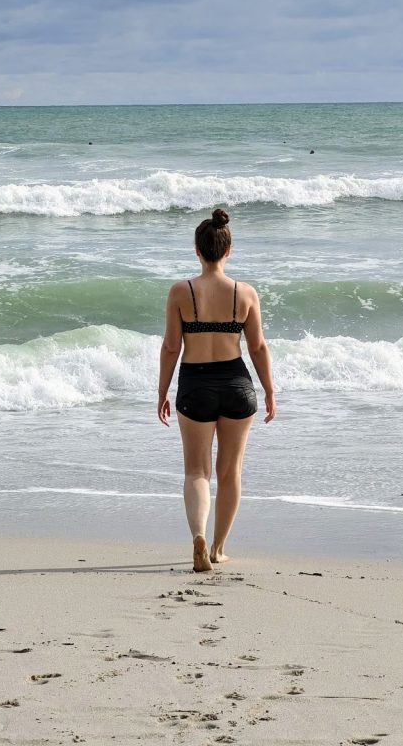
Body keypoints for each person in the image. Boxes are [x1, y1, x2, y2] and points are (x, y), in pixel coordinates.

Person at [157, 208, 277, 572]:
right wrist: (270, 390)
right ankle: (218, 549)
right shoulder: (245, 293)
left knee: (197, 472)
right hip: (237, 385)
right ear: (229, 250)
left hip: (195, 384)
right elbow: (258, 348)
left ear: (197, 250)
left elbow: (170, 347)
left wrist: (162, 391)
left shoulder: (181, 291)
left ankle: (198, 534)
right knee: (230, 472)